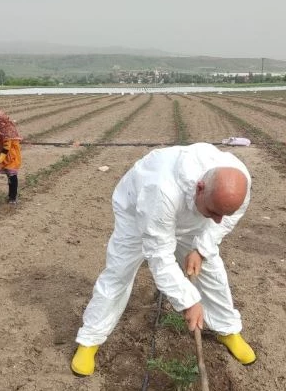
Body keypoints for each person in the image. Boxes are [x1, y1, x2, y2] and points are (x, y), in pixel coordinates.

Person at [71, 142, 255, 377]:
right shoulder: (160, 190)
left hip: (193, 216)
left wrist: (201, 249)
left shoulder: (238, 183)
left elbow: (226, 219)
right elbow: (159, 255)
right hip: (138, 214)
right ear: (199, 187)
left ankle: (227, 330)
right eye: (213, 213)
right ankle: (90, 339)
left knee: (210, 269)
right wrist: (188, 301)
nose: (219, 220)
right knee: (119, 272)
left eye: (223, 213)